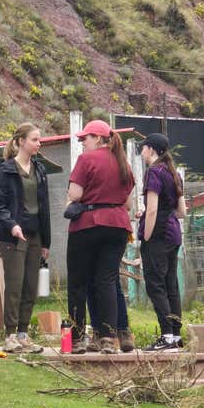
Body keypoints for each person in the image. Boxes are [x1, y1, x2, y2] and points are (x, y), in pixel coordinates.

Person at [66, 120, 134, 354]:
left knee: (78, 283)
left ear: (97, 137)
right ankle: (107, 338)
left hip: (87, 225)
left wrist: (73, 198)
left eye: (85, 138)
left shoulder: (86, 160)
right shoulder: (122, 162)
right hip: (117, 226)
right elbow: (126, 202)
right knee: (106, 280)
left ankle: (77, 339)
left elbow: (75, 194)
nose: (83, 143)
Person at [0, 123, 51, 353]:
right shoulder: (6, 169)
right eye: (35, 139)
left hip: (35, 233)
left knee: (30, 286)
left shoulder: (40, 170)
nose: (39, 143)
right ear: (20, 141)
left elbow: (45, 206)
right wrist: (12, 225)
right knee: (15, 285)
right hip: (13, 236)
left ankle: (23, 333)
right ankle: (9, 335)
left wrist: (47, 242)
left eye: (39, 140)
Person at [137, 133, 187, 351]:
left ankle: (166, 335)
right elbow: (182, 211)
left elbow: (153, 210)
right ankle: (175, 336)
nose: (141, 153)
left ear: (151, 150)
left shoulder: (154, 173)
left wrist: (145, 238)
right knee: (171, 285)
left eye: (143, 148)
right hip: (174, 233)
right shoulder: (174, 174)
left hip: (158, 236)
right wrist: (149, 212)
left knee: (155, 285)